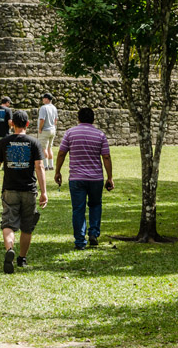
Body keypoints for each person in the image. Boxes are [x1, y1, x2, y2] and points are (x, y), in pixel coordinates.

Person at [0, 110, 48, 273]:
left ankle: (9, 250)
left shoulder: (4, 142)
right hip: (29, 190)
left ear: (12, 123)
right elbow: (40, 167)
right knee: (27, 226)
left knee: (8, 223)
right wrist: (44, 192)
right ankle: (22, 258)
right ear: (27, 124)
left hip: (10, 189)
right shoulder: (34, 142)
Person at [54, 107, 114, 250]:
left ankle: (80, 241)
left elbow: (61, 153)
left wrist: (57, 171)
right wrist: (110, 177)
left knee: (78, 209)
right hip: (96, 178)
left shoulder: (70, 133)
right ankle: (93, 233)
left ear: (78, 118)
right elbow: (106, 156)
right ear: (93, 119)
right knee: (95, 205)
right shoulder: (100, 135)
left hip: (76, 178)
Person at [37, 93, 59, 170]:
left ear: (46, 99)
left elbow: (42, 120)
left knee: (43, 148)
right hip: (52, 129)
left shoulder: (43, 108)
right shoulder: (54, 108)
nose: (42, 100)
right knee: (50, 148)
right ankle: (51, 165)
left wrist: (40, 128)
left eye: (43, 98)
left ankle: (45, 166)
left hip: (45, 130)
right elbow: (55, 120)